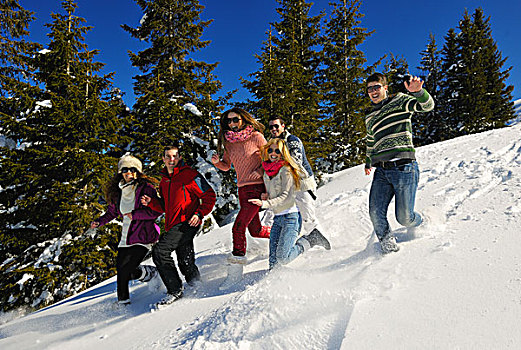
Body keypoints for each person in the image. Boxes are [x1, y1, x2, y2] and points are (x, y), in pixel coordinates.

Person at [364, 72, 434, 253]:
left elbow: (427, 106)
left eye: (376, 87)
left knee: (404, 218)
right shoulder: (369, 116)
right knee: (375, 213)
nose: (373, 91)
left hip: (404, 167)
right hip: (382, 171)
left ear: (385, 88)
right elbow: (371, 140)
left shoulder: (400, 100)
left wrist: (419, 92)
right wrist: (368, 161)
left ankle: (422, 222)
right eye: (370, 88)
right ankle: (389, 250)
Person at [141, 145, 216, 306]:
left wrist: (199, 213)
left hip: (188, 222)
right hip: (173, 224)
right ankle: (197, 284)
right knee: (185, 259)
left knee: (160, 251)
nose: (171, 159)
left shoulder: (190, 175)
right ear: (163, 159)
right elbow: (165, 206)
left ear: (179, 157)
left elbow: (209, 195)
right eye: (168, 156)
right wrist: (151, 203)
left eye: (174, 156)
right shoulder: (164, 181)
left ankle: (175, 290)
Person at [211, 107, 271, 289]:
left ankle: (235, 273)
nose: (231, 124)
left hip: (257, 188)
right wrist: (216, 163)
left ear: (243, 120)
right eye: (228, 121)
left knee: (238, 227)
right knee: (256, 230)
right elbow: (226, 166)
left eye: (235, 120)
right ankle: (284, 233)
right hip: (242, 190)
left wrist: (259, 171)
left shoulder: (257, 137)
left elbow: (270, 158)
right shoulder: (229, 144)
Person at [90, 155, 161, 305]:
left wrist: (135, 215)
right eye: (125, 169)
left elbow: (156, 211)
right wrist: (99, 221)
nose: (129, 172)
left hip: (143, 235)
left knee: (127, 269)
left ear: (138, 172)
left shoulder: (146, 188)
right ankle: (123, 302)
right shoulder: (118, 192)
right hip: (126, 237)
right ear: (120, 172)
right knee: (122, 272)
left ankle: (150, 273)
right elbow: (112, 213)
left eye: (132, 169)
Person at [249, 139, 330, 270]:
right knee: (273, 263)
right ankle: (274, 286)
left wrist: (264, 203)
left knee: (283, 258)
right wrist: (266, 196)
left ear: (283, 153)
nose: (273, 153)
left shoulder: (286, 170)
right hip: (278, 218)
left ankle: (310, 240)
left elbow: (285, 196)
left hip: (290, 218)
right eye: (270, 150)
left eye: (277, 151)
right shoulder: (267, 171)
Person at [267, 116, 326, 240]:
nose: (273, 129)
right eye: (271, 127)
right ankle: (286, 242)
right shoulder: (272, 143)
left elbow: (296, 161)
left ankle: (322, 243)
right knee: (278, 215)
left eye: (276, 126)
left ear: (283, 126)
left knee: (307, 216)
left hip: (301, 183)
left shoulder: (292, 140)